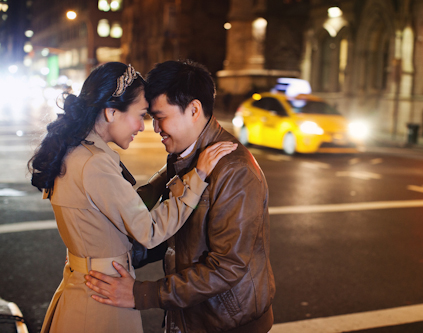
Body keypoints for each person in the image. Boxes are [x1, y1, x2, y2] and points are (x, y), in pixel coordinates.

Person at [28, 62, 237, 333]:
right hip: (102, 299)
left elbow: (123, 205)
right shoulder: (94, 163)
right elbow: (148, 231)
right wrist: (196, 175)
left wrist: (172, 170)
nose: (143, 126)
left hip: (88, 284)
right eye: (140, 114)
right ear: (112, 111)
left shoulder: (76, 151)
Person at [85, 60, 276, 333]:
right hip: (191, 314)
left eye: (160, 116)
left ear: (194, 110)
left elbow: (227, 267)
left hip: (226, 322)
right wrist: (116, 253)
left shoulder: (234, 171)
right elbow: (177, 232)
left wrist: (141, 294)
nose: (155, 128)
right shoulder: (185, 155)